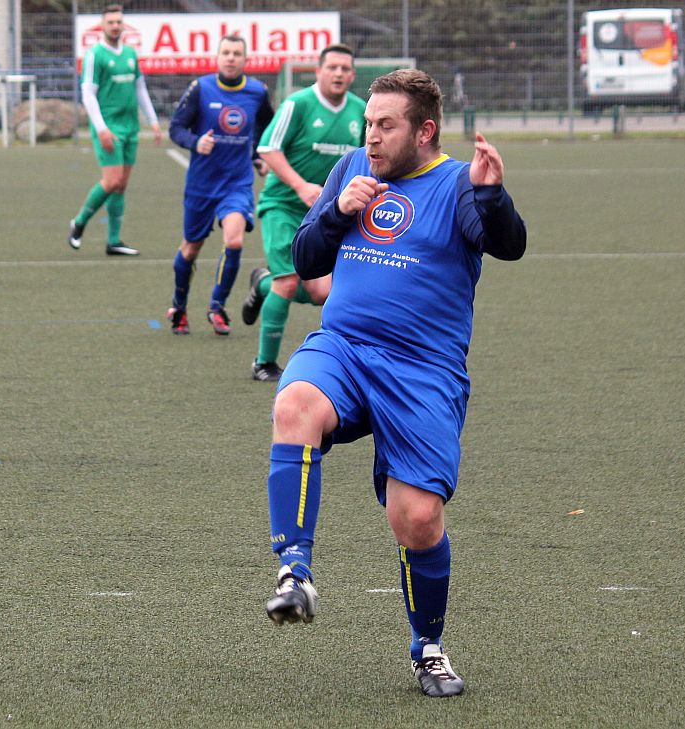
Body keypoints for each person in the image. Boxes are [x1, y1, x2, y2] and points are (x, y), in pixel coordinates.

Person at [260, 69, 526, 699]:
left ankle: (427, 647)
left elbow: (509, 246)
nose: (371, 136)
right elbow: (305, 260)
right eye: (368, 124)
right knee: (294, 402)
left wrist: (492, 195)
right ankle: (294, 572)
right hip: (345, 348)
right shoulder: (353, 166)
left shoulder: (458, 183)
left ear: (424, 130)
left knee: (418, 520)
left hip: (423, 371)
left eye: (386, 125)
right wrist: (335, 214)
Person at [242, 44, 365, 379]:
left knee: (321, 292)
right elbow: (267, 148)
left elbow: (368, 159)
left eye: (345, 69)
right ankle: (264, 363)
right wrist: (300, 186)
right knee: (288, 282)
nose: (339, 73)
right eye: (333, 67)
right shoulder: (297, 104)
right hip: (283, 205)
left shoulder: (359, 111)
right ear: (318, 71)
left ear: (352, 75)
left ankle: (261, 284)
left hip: (328, 214)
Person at [165, 34, 273, 335]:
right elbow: (176, 128)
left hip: (236, 183)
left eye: (237, 53)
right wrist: (196, 141)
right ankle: (180, 305)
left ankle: (217, 306)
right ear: (217, 56)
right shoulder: (201, 88)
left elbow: (268, 127)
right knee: (190, 249)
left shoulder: (257, 92)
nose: (230, 58)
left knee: (235, 241)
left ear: (245, 59)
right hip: (201, 184)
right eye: (225, 52)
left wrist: (259, 154)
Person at [67, 3, 162, 257]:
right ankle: (79, 222)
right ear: (103, 26)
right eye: (111, 22)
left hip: (131, 128)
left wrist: (152, 121)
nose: (115, 26)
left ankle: (114, 241)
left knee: (121, 185)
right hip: (109, 128)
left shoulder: (130, 53)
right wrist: (101, 129)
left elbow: (140, 88)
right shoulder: (95, 55)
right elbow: (87, 94)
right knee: (111, 181)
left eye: (119, 22)